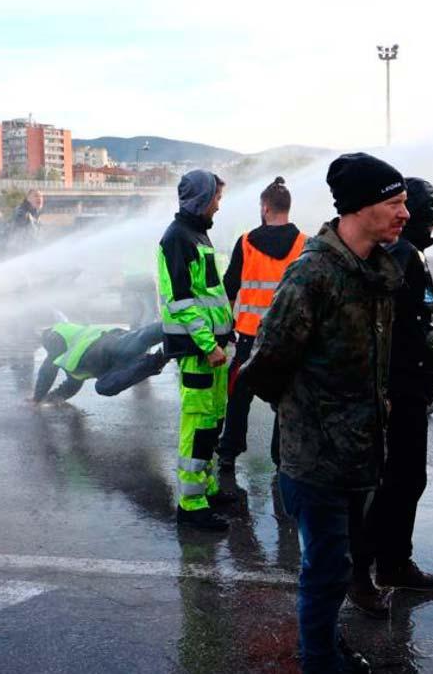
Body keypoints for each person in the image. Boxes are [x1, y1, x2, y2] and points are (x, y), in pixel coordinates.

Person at [240, 152, 406, 674]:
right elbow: (264, 364)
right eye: (395, 202)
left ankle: (327, 647)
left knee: (341, 564)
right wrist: (310, 414)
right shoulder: (313, 275)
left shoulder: (377, 272)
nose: (405, 213)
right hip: (316, 456)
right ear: (360, 208)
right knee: (326, 567)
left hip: (361, 449)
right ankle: (318, 661)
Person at [350, 177, 433, 617]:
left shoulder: (410, 253)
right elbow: (382, 330)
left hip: (411, 386)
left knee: (408, 479)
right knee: (390, 483)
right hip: (398, 389)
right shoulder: (398, 256)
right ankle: (364, 572)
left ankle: (393, 562)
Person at [157, 169, 235, 532]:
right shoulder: (178, 238)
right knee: (198, 424)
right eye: (216, 198)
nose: (219, 205)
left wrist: (224, 337)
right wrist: (207, 344)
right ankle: (191, 504)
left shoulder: (196, 234)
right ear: (202, 199)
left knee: (213, 420)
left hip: (214, 348)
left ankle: (207, 488)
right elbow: (181, 301)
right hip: (199, 351)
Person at [217, 176, 305, 471]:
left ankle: (229, 450)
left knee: (239, 392)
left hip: (250, 335)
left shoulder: (246, 243)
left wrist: (225, 327)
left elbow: (229, 288)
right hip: (289, 337)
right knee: (285, 396)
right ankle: (281, 457)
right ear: (287, 208)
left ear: (265, 208)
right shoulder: (306, 243)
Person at [31, 322, 167, 403]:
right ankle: (158, 359)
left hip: (109, 347)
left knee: (143, 337)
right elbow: (71, 385)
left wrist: (37, 397)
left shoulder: (55, 333)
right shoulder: (70, 361)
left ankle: (177, 325)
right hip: (114, 364)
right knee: (103, 387)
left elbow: (48, 369)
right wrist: (50, 399)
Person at [7, 189, 44, 255]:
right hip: (18, 253)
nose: (40, 198)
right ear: (28, 199)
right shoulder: (21, 211)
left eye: (41, 196)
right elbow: (19, 230)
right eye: (36, 196)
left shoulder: (36, 215)